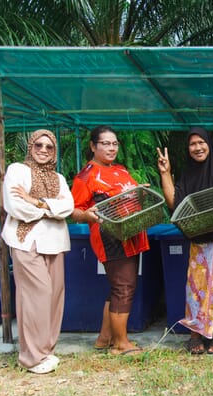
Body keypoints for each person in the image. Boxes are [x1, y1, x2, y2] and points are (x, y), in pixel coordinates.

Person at [157, 127, 213, 355]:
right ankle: (196, 333)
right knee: (198, 288)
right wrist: (165, 173)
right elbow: (174, 204)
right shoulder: (189, 172)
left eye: (201, 142)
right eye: (192, 144)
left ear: (209, 142)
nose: (197, 148)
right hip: (199, 240)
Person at [70, 125, 148, 356]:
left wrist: (139, 192)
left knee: (117, 287)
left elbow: (127, 196)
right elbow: (74, 210)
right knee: (123, 287)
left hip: (131, 233)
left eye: (114, 143)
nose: (111, 147)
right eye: (105, 143)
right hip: (110, 236)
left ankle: (104, 339)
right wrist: (85, 215)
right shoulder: (87, 175)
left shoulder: (121, 170)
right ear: (93, 146)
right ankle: (121, 344)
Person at [1, 129, 74, 374]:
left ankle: (46, 351)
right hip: (25, 240)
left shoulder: (60, 178)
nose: (43, 150)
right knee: (36, 295)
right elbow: (15, 206)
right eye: (38, 145)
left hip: (55, 242)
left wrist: (36, 201)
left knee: (54, 296)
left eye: (49, 147)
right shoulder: (17, 170)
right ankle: (31, 357)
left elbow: (69, 207)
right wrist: (49, 209)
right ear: (30, 147)